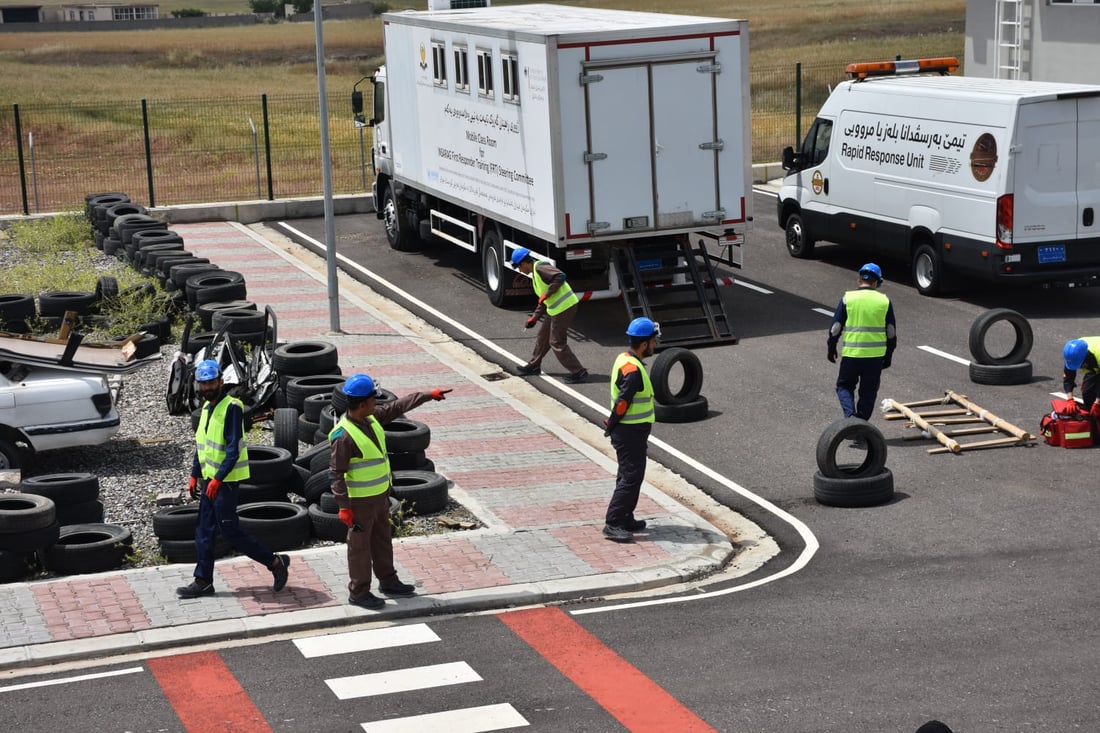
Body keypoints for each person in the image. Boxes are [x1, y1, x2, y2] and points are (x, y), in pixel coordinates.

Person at [177, 359, 289, 598]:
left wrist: (218, 479)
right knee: (204, 531)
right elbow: (202, 446)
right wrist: (194, 474)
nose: (207, 388)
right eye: (203, 384)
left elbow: (234, 448)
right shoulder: (206, 410)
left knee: (230, 532)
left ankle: (276, 563)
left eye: (211, 383)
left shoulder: (232, 408)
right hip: (210, 480)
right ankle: (203, 580)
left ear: (221, 381)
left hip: (224, 482)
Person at [330, 373, 443, 610]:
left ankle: (388, 581)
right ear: (362, 404)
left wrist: (427, 396)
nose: (377, 403)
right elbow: (336, 473)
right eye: (373, 399)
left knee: (382, 539)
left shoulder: (371, 419)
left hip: (380, 497)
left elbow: (397, 406)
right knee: (359, 548)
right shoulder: (344, 436)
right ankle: (359, 592)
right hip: (359, 502)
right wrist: (343, 507)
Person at [601, 317, 659, 543]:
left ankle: (626, 516)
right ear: (644, 344)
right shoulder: (633, 371)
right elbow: (623, 403)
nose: (655, 345)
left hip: (632, 431)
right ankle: (613, 522)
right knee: (631, 477)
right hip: (629, 432)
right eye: (653, 342)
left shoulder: (624, 358)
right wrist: (612, 424)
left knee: (629, 475)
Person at [827, 262, 897, 421]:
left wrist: (831, 347)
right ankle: (861, 425)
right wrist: (888, 356)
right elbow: (891, 333)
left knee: (844, 386)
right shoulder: (884, 301)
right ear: (877, 283)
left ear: (859, 281)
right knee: (868, 392)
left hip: (851, 355)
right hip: (874, 358)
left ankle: (850, 417)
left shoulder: (848, 298)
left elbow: (835, 328)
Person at [511, 247, 589, 384]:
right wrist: (534, 318)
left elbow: (560, 276)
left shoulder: (541, 268)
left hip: (565, 307)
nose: (520, 270)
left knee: (556, 342)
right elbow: (543, 300)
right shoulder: (535, 273)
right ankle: (534, 366)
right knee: (543, 336)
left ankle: (579, 372)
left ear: (524, 263)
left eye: (519, 267)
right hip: (554, 309)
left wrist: (548, 294)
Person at [1062, 337, 1100, 411]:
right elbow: (1068, 377)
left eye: (1081, 365)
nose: (1080, 368)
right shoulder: (1073, 353)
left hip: (1097, 359)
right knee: (1088, 395)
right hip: (1095, 363)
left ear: (1086, 357)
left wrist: (1098, 401)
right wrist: (1070, 399)